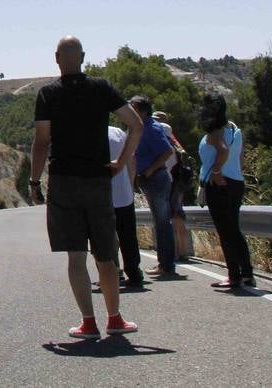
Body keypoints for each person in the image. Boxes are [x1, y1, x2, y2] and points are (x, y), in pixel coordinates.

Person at [30, 36, 143, 339]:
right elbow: (136, 125)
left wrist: (33, 181)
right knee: (106, 255)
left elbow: (41, 143)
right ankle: (115, 318)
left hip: (64, 182)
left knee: (76, 256)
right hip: (98, 181)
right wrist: (120, 163)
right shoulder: (102, 88)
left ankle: (88, 323)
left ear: (56, 59)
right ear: (83, 57)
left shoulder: (48, 94)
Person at [198, 93, 254, 290]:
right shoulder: (235, 130)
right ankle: (246, 273)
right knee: (233, 230)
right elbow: (240, 159)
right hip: (236, 183)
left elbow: (223, 151)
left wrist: (216, 171)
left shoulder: (215, 132)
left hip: (219, 184)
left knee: (225, 231)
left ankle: (235, 274)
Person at [130, 96, 178, 278]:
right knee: (160, 223)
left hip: (156, 180)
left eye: (133, 109)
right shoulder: (143, 128)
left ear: (141, 111)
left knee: (162, 223)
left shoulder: (151, 128)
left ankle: (166, 265)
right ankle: (164, 263)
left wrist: (149, 171)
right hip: (150, 180)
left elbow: (167, 151)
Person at [153, 111, 195, 259]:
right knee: (178, 215)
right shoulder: (175, 141)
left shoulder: (160, 135)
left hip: (166, 182)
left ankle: (174, 253)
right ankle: (183, 251)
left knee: (166, 218)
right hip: (178, 182)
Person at [107, 125, 144, 288]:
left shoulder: (85, 132)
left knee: (103, 238)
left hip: (99, 196)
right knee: (128, 236)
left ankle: (111, 272)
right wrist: (130, 184)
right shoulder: (118, 132)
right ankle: (134, 272)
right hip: (123, 193)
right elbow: (131, 160)